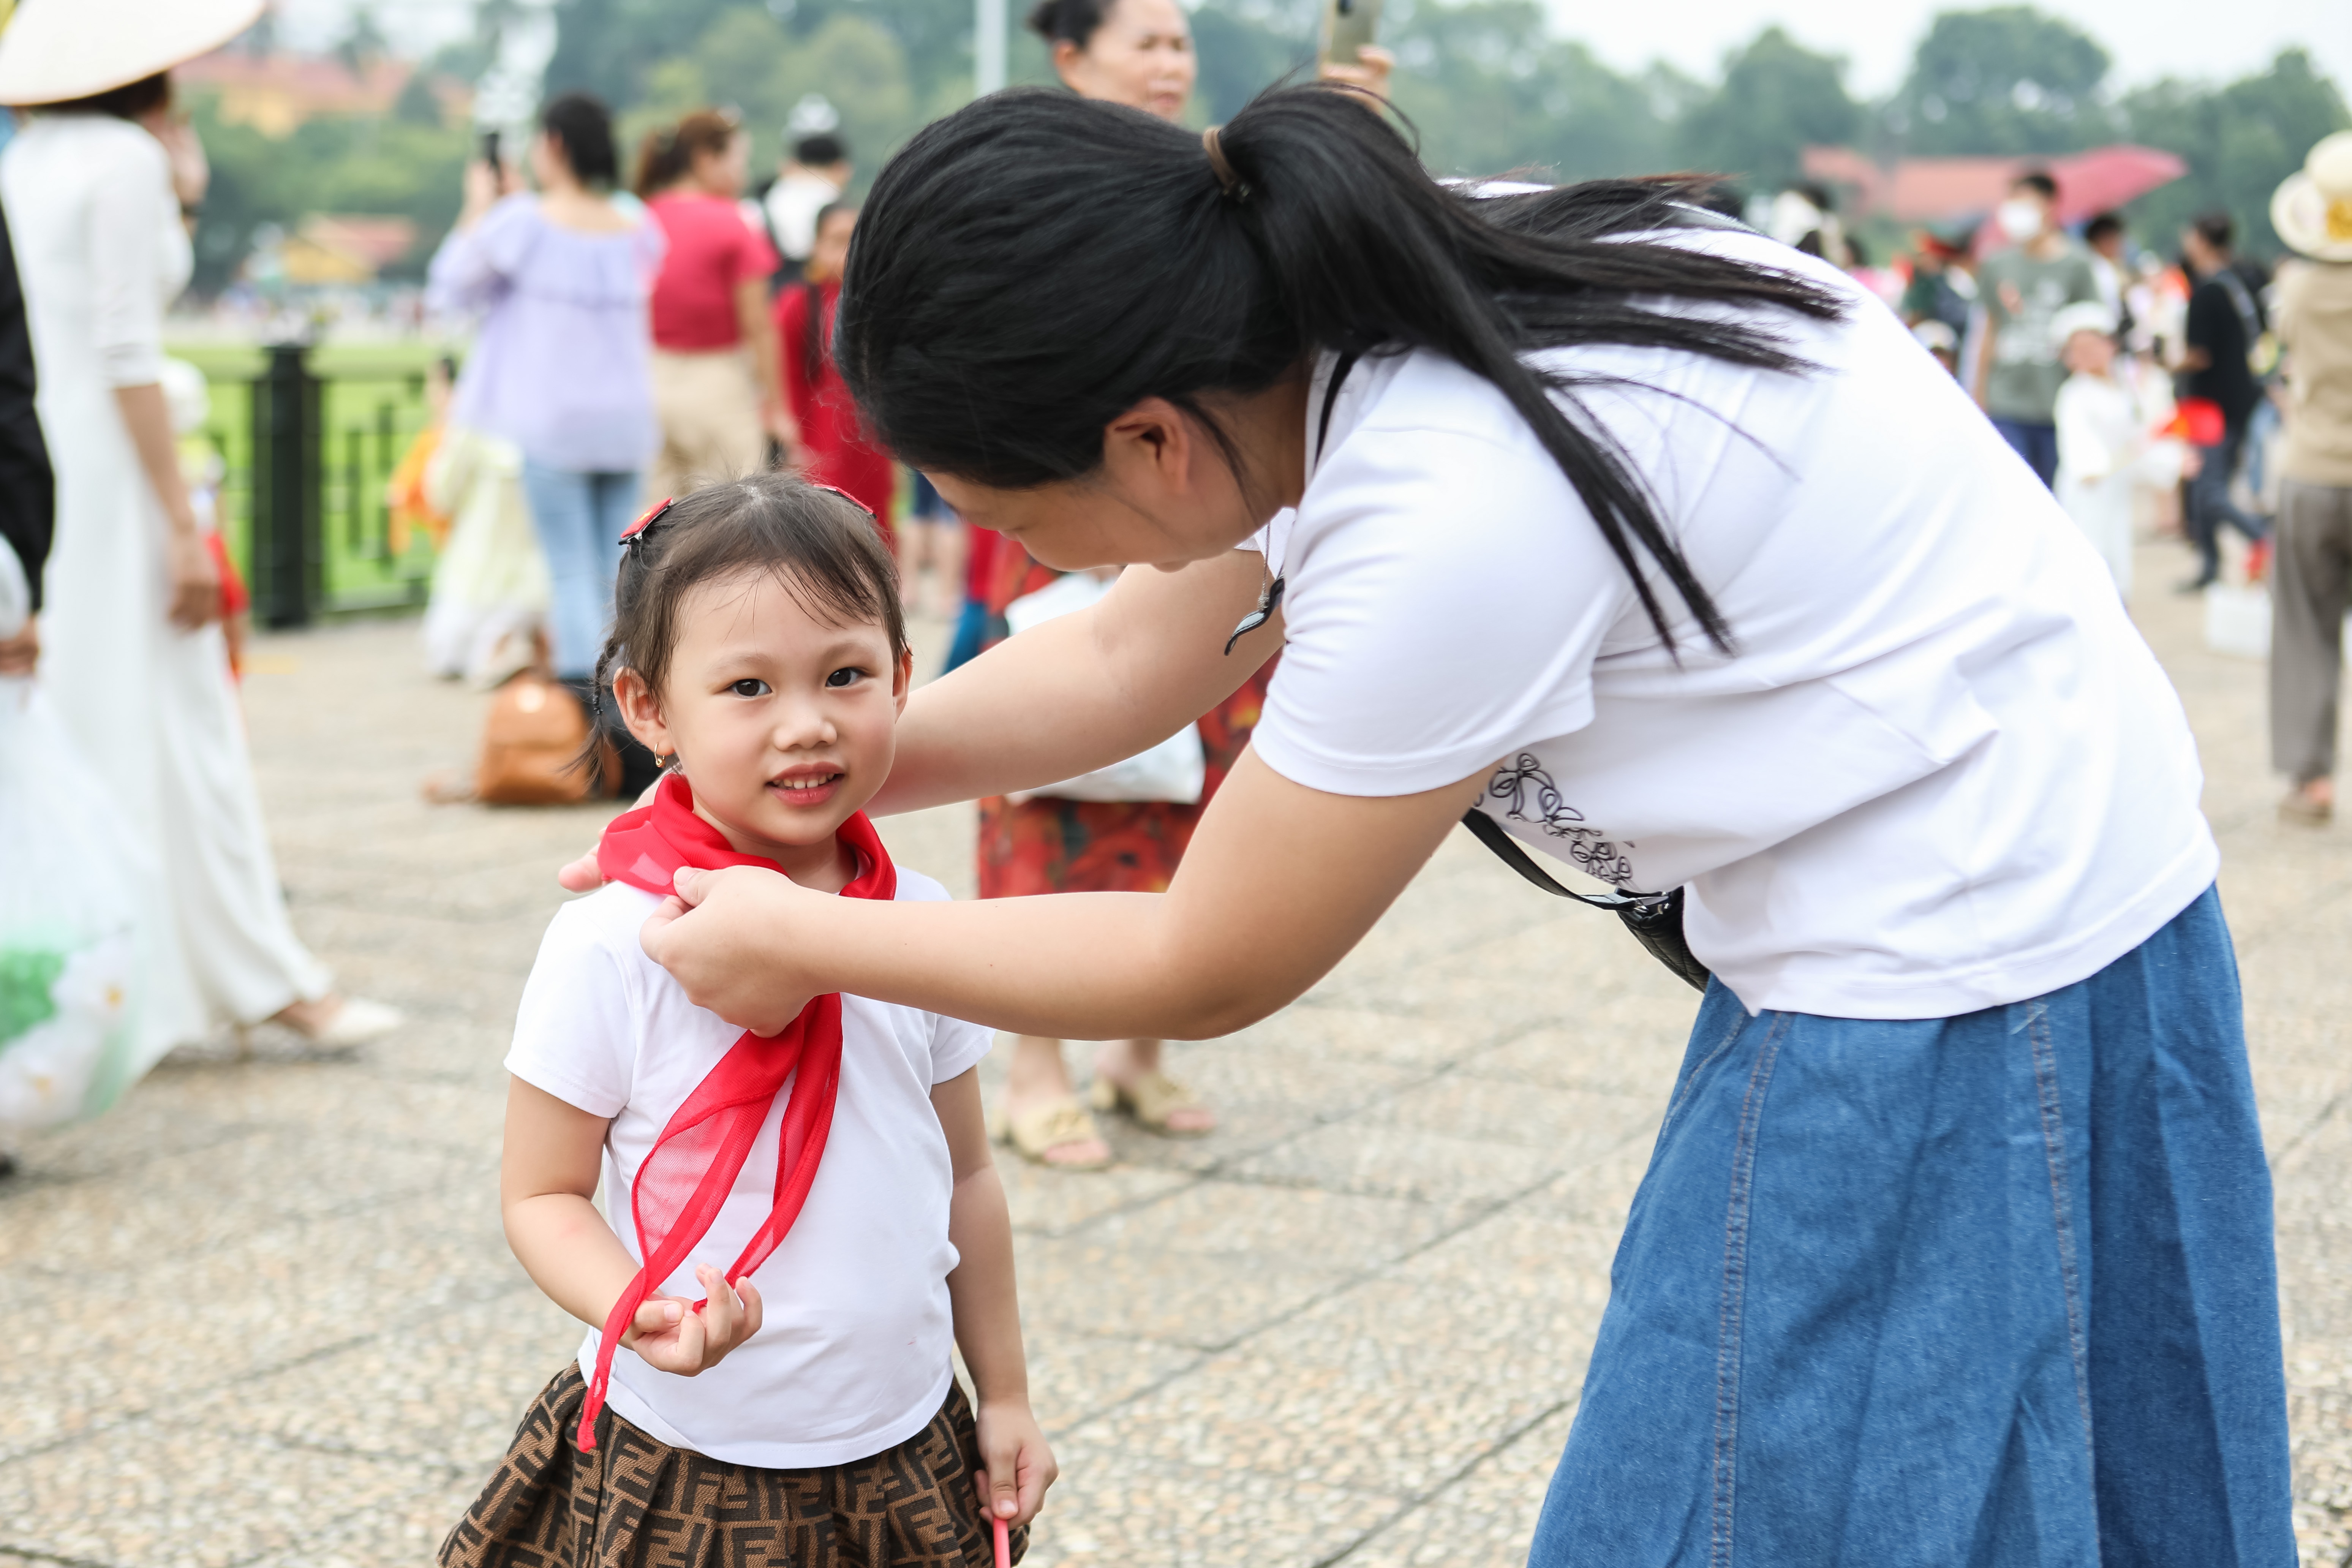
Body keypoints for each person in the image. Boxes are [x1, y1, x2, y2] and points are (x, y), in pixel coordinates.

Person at [588, 87, 2294, 1562]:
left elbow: (1212, 951)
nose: (1050, 562)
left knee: (1745, 1483)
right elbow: (1128, 653)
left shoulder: (1451, 499)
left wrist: (790, 928)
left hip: (1965, 946)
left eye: (1026, 519)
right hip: (1990, 875)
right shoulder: (1336, 295)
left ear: (1150, 442)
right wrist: (800, 778)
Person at [441, 476, 1051, 1567]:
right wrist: (639, 1307)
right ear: (649, 709)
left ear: (905, 680)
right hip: (684, 1450)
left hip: (905, 1443)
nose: (806, 722)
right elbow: (540, 1192)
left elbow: (964, 1177)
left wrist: (1003, 1393)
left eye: (847, 674)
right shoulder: (611, 943)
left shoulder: (919, 928)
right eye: (749, 686)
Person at [0, 2, 401, 1058]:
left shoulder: (28, 156)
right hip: (123, 461)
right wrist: (183, 522)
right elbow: (130, 349)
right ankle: (259, 977)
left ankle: (133, 979)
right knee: (183, 719)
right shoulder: (125, 162)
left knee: (95, 714)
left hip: (54, 461)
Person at [425, 92, 663, 779]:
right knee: (618, 567)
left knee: (566, 568)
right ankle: (634, 717)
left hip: (554, 421)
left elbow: (451, 285)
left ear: (553, 145)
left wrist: (481, 205)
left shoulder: (522, 223)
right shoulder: (634, 223)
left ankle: (586, 724)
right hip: (623, 420)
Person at [635, 109, 792, 502]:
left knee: (654, 524)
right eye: (739, 159)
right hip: (717, 384)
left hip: (645, 380)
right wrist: (778, 407)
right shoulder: (732, 221)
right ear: (707, 159)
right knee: (737, 515)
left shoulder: (640, 217)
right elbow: (758, 323)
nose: (743, 171)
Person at [2264, 131, 2352, 827]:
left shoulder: (2300, 287)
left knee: (2305, 626)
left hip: (2312, 471)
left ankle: (2310, 776)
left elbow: (2283, 353)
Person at [775, 202, 897, 545]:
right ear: (816, 247)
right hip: (822, 438)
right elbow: (788, 378)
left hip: (873, 441)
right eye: (837, 240)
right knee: (828, 528)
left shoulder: (879, 303)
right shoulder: (799, 303)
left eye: (856, 241)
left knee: (878, 527)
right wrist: (796, 441)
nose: (848, 253)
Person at [1972, 169, 2101, 488]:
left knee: (2050, 494)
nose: (2014, 212)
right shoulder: (1997, 264)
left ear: (2050, 207)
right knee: (2013, 490)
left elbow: (2092, 331)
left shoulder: (2077, 265)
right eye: (2011, 202)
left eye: (2024, 202)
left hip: (2057, 403)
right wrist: (1979, 396)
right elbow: (1989, 330)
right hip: (2006, 400)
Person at [2052, 300, 2186, 598]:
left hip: (2116, 488)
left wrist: (2170, 462)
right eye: (2078, 349)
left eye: (2094, 345)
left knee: (2117, 563)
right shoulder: (2074, 395)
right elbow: (2083, 453)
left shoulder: (2127, 387)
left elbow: (2145, 435)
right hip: (2088, 493)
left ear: (2110, 345)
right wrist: (2096, 465)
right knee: (2089, 561)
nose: (2088, 355)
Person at [2176, 211, 2272, 591]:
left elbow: (2199, 354)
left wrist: (2170, 361)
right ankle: (2210, 565)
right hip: (2244, 397)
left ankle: (2261, 535)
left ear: (2200, 240)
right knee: (2212, 483)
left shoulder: (2205, 291)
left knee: (2209, 489)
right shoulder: (2246, 280)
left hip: (2208, 404)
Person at [763, 132, 852, 286]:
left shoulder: (772, 196)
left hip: (770, 288)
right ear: (840, 168)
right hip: (819, 294)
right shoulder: (835, 203)